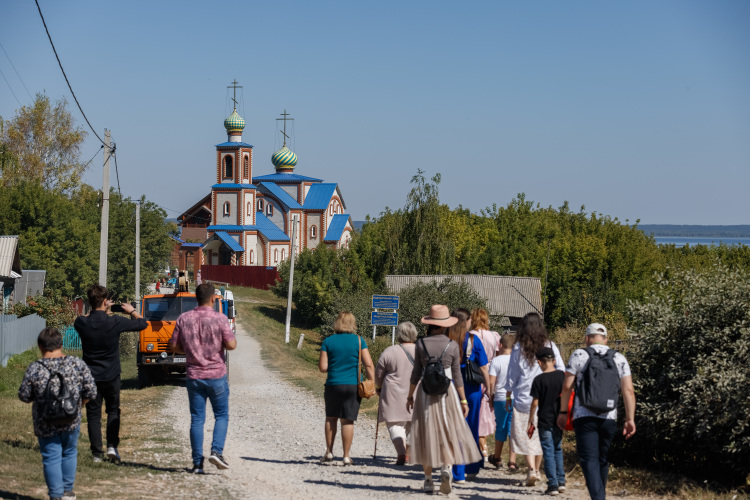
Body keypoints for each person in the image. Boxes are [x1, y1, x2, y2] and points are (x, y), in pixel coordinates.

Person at [407, 305, 483, 494]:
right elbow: (457, 376)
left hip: (425, 391)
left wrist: (410, 395)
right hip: (447, 392)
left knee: (426, 433)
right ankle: (447, 468)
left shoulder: (421, 344)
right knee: (448, 431)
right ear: (445, 324)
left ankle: (427, 479)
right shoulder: (452, 345)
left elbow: (416, 373)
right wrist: (464, 401)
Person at [556, 323, 636, 500]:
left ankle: (598, 498)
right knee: (602, 459)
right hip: (609, 417)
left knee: (589, 460)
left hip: (584, 417)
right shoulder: (619, 358)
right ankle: (599, 495)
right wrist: (630, 419)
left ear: (586, 339)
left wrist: (563, 412)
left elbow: (567, 386)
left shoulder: (579, 354)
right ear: (606, 339)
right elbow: (628, 390)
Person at [18, 328, 97, 500]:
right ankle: (68, 492)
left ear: (40, 346)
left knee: (51, 456)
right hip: (71, 418)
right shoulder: (76, 364)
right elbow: (91, 392)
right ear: (61, 344)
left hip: (44, 420)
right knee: (69, 452)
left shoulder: (35, 368)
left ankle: (56, 495)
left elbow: (24, 396)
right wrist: (79, 405)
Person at [74, 284, 147, 462]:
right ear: (106, 301)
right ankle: (112, 447)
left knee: (93, 414)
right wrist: (130, 311)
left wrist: (98, 308)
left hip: (90, 375)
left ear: (90, 302)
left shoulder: (81, 322)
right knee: (113, 410)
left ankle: (96, 453)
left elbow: (83, 317)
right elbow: (142, 324)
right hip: (111, 374)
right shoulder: (115, 321)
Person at [170, 282, 237, 473]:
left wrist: (189, 349)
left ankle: (197, 463)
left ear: (196, 298)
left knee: (197, 419)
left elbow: (173, 346)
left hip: (194, 376)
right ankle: (216, 451)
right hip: (216, 375)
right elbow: (231, 346)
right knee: (222, 415)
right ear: (214, 298)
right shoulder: (220, 319)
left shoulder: (184, 318)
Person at [505, 312, 564, 486]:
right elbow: (561, 367)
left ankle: (531, 469)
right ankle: (537, 470)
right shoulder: (551, 345)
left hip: (524, 397)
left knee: (526, 435)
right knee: (541, 436)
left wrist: (508, 394)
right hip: (548, 399)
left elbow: (512, 375)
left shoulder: (518, 348)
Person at [318, 311, 375, 466]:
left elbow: (323, 368)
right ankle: (346, 456)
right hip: (353, 385)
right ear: (353, 324)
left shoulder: (328, 341)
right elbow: (368, 364)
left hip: (333, 384)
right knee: (347, 420)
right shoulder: (359, 341)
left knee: (331, 418)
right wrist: (373, 382)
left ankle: (329, 453)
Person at [449, 308, 492, 482]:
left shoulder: (447, 339)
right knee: (472, 427)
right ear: (465, 321)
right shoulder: (473, 340)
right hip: (472, 388)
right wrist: (489, 388)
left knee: (455, 428)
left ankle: (455, 470)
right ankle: (472, 466)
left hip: (452, 387)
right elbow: (483, 366)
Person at [374, 321, 417, 465]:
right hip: (416, 392)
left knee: (395, 424)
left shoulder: (390, 351)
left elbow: (379, 373)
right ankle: (409, 455)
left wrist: (378, 387)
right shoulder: (421, 351)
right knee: (413, 424)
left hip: (393, 393)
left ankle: (401, 453)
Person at [529, 347, 566, 496]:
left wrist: (531, 419)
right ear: (554, 361)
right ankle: (561, 481)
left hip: (545, 420)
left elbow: (535, 403)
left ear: (539, 362)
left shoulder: (538, 380)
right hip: (559, 418)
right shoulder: (562, 376)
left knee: (548, 452)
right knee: (558, 448)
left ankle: (552, 485)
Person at [469, 307, 501, 461]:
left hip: (474, 372)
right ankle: (484, 443)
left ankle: (480, 445)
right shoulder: (494, 336)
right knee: (487, 410)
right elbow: (497, 354)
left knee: (476, 408)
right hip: (491, 372)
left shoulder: (471, 336)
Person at [488, 332, 517, 470]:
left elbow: (492, 382)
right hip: (515, 398)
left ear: (500, 345)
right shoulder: (517, 360)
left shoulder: (496, 361)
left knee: (500, 427)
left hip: (500, 397)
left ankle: (497, 458)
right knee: (513, 429)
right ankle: (512, 461)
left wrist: (490, 395)